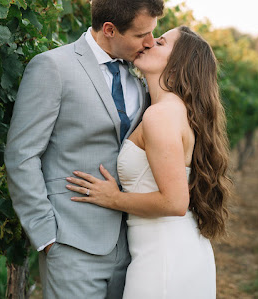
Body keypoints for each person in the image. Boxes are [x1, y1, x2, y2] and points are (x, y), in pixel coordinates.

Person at [4, 0, 164, 298]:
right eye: (141, 34)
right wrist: (47, 237)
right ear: (109, 29)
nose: (150, 42)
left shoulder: (139, 76)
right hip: (72, 244)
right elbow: (21, 154)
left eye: (152, 33)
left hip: (133, 245)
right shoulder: (53, 67)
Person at [65, 26, 232, 298]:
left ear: (177, 66)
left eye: (161, 42)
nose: (149, 42)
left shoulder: (160, 116)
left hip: (164, 257)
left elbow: (175, 202)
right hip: (169, 249)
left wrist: (113, 198)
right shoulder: (172, 110)